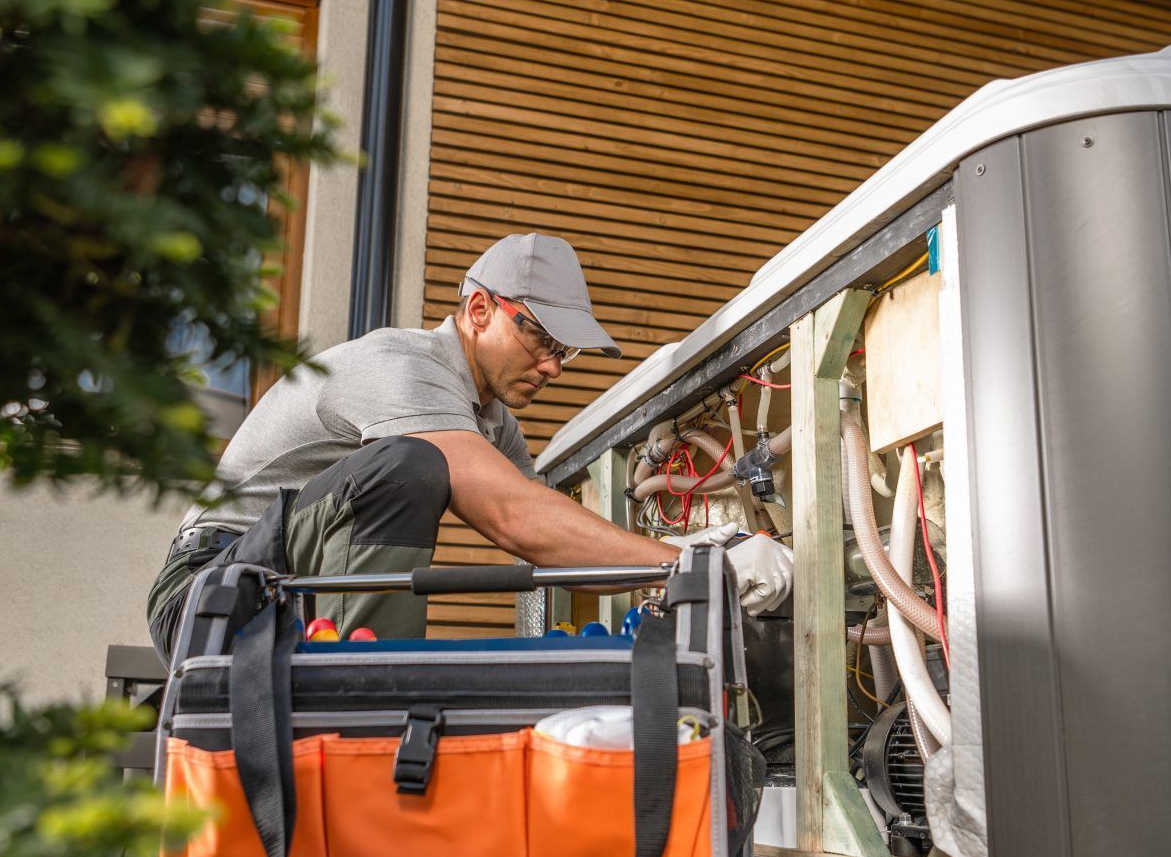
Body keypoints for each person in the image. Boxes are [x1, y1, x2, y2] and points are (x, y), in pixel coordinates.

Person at [146, 231, 794, 656]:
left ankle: (365, 696)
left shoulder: (490, 421)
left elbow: (560, 533)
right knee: (407, 467)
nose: (554, 366)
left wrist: (698, 547)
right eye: (542, 339)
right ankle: (366, 707)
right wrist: (681, 564)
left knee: (414, 466)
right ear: (479, 311)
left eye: (565, 351)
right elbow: (513, 520)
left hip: (284, 590)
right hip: (212, 595)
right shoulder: (402, 364)